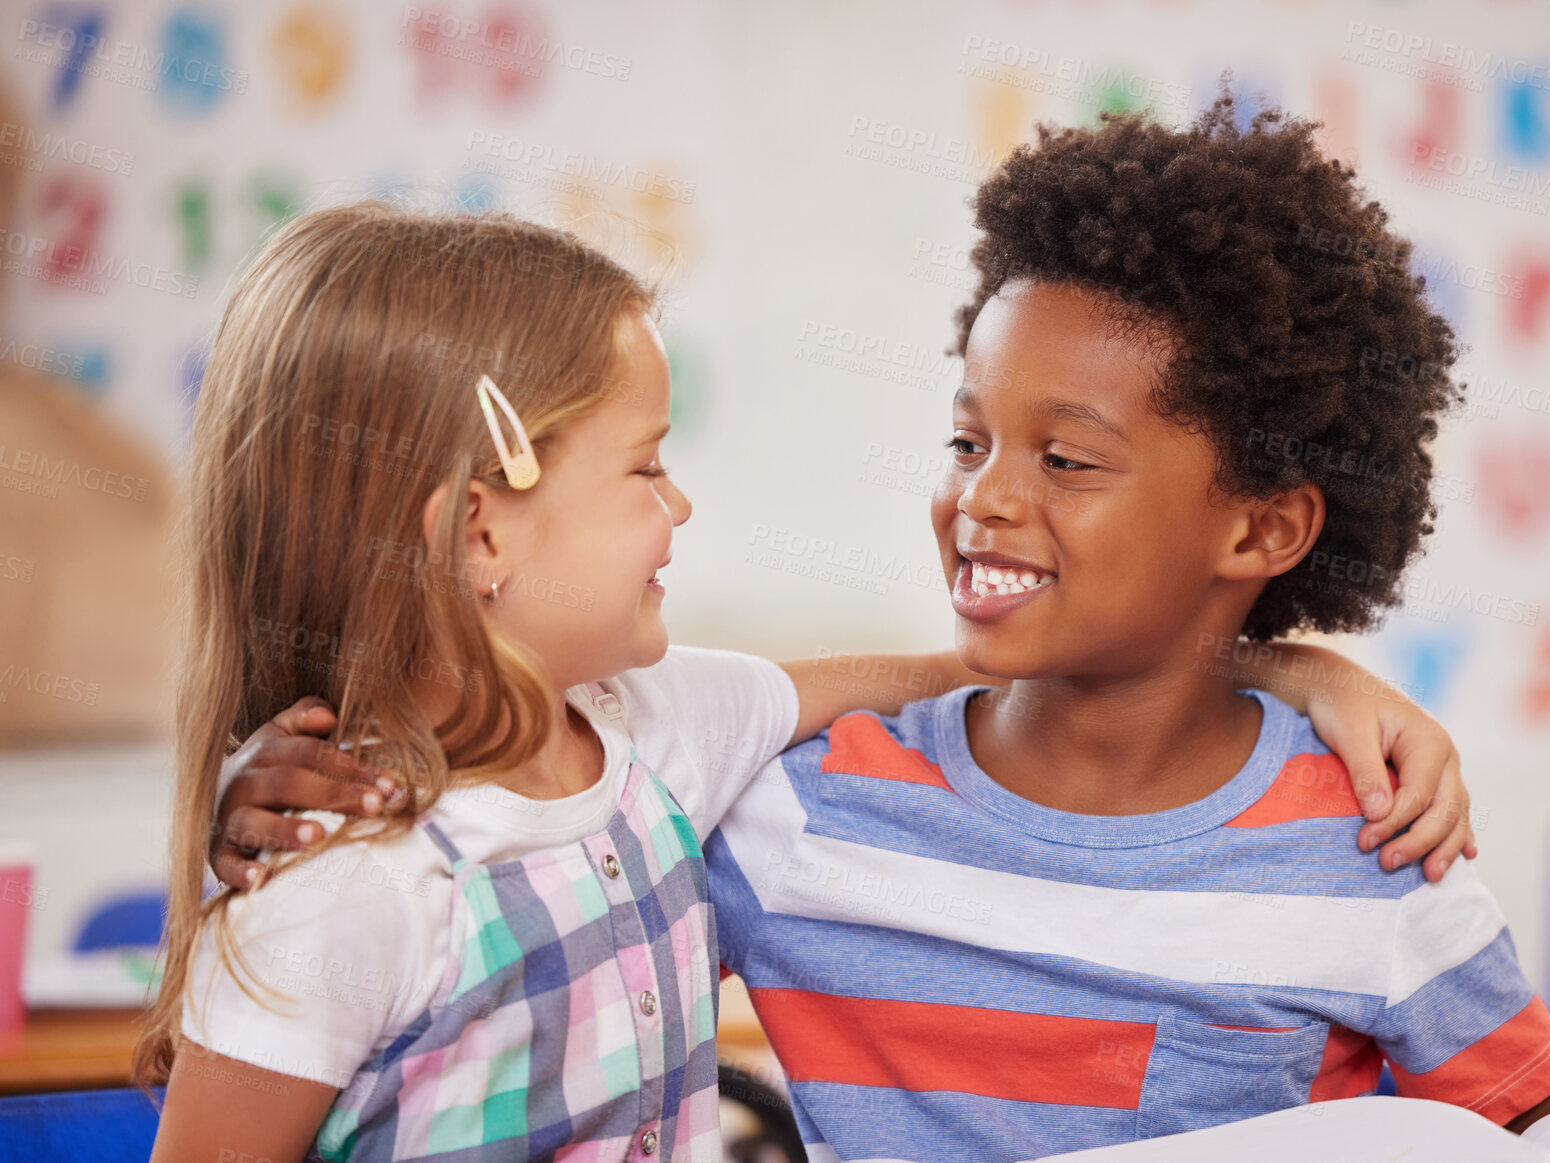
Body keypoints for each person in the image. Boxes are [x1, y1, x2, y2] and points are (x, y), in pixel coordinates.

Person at [699, 98, 1550, 1159]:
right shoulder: (789, 813)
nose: (980, 497)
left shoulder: (1369, 844)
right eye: (966, 439)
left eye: (1063, 459)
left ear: (1262, 526)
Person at [140, 202, 1009, 1162]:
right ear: (481, 533)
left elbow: (863, 682)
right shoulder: (337, 886)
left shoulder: (653, 729)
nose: (679, 501)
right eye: (648, 465)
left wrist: (1055, 654)